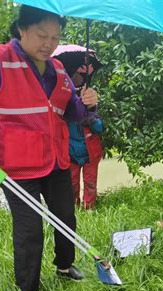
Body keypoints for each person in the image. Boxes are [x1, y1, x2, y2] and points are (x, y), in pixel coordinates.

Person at [0, 5, 100, 291]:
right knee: (30, 230)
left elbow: (73, 113)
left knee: (66, 217)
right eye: (42, 35)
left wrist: (88, 103)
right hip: (16, 168)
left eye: (55, 38)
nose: (49, 44)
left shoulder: (57, 69)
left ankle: (65, 266)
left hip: (55, 160)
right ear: (22, 29)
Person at [53, 61, 104, 210]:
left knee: (90, 183)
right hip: (70, 155)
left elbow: (100, 127)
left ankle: (89, 208)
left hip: (90, 154)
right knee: (72, 184)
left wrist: (90, 118)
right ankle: (73, 208)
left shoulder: (89, 105)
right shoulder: (62, 109)